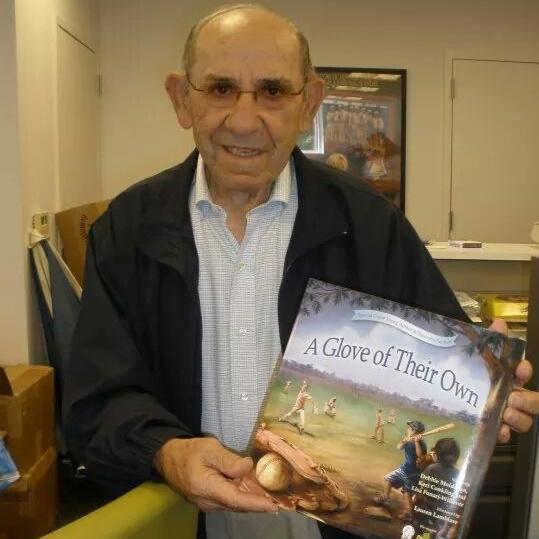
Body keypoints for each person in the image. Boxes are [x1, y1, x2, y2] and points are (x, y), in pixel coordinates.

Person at [63, 4, 539, 539]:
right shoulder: (128, 229)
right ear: (181, 99)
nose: (244, 120)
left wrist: (488, 398)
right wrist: (165, 451)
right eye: (220, 89)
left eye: (272, 91)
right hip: (181, 522)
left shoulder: (371, 226)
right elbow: (95, 404)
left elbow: (448, 378)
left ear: (308, 103)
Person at [375, 420, 427, 521]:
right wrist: (404, 441)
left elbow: (421, 456)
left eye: (410, 428)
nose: (408, 430)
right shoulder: (408, 439)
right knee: (388, 479)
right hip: (404, 469)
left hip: (414, 473)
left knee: (407, 493)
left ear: (414, 431)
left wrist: (416, 442)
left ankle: (409, 515)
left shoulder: (421, 443)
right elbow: (399, 447)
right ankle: (385, 497)